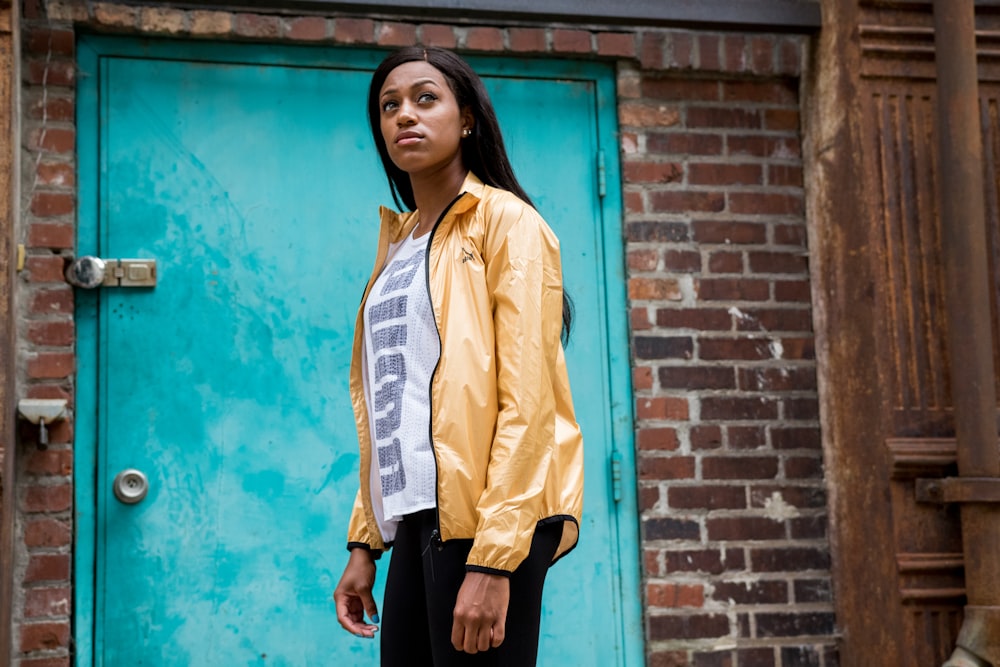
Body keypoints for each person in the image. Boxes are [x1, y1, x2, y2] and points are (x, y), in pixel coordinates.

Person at [333, 46, 583, 666]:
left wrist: (495, 559)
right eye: (389, 106)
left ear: (466, 118)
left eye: (425, 98)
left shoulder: (507, 224)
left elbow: (528, 402)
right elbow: (395, 398)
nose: (404, 116)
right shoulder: (399, 244)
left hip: (487, 525)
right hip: (420, 522)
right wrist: (366, 541)